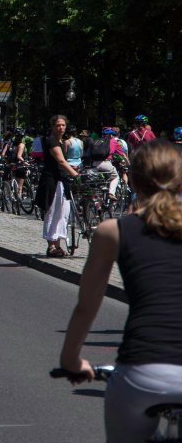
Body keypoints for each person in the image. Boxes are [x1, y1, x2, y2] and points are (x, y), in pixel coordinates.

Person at [57, 140, 182, 443]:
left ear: (134, 182)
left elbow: (87, 305)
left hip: (143, 370)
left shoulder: (113, 231)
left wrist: (72, 361)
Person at [38, 115, 80, 257]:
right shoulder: (51, 141)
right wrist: (75, 174)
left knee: (63, 212)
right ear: (52, 127)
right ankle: (51, 246)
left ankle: (58, 245)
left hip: (62, 179)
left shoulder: (61, 141)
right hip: (52, 180)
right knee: (52, 211)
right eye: (57, 125)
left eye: (63, 125)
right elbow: (61, 161)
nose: (61, 127)